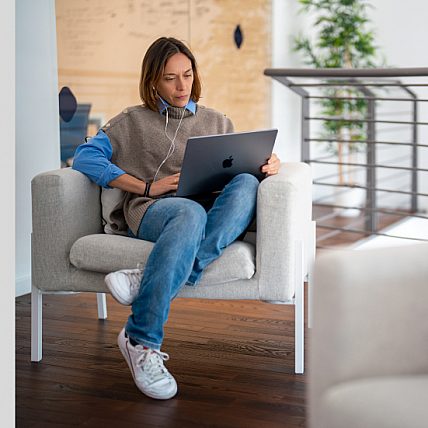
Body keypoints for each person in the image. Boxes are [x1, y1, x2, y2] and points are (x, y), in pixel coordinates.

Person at [72, 36, 280, 400]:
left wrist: (268, 165)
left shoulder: (217, 120)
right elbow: (85, 159)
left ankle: (150, 279)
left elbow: (242, 166)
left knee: (246, 182)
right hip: (155, 210)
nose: (181, 85)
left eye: (187, 75)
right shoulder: (130, 121)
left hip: (210, 211)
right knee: (188, 211)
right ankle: (142, 340)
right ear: (153, 80)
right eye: (170, 78)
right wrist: (145, 187)